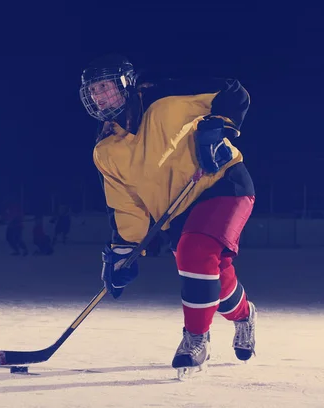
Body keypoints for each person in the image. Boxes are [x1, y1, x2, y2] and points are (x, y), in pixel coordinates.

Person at [79, 54, 256, 375]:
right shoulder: (106, 149)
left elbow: (233, 92)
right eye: (93, 92)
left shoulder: (165, 99)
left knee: (195, 252)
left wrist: (220, 127)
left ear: (125, 84)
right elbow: (126, 204)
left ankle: (196, 340)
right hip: (177, 212)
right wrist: (122, 252)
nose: (99, 96)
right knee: (217, 279)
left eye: (104, 87)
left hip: (222, 183)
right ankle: (244, 316)